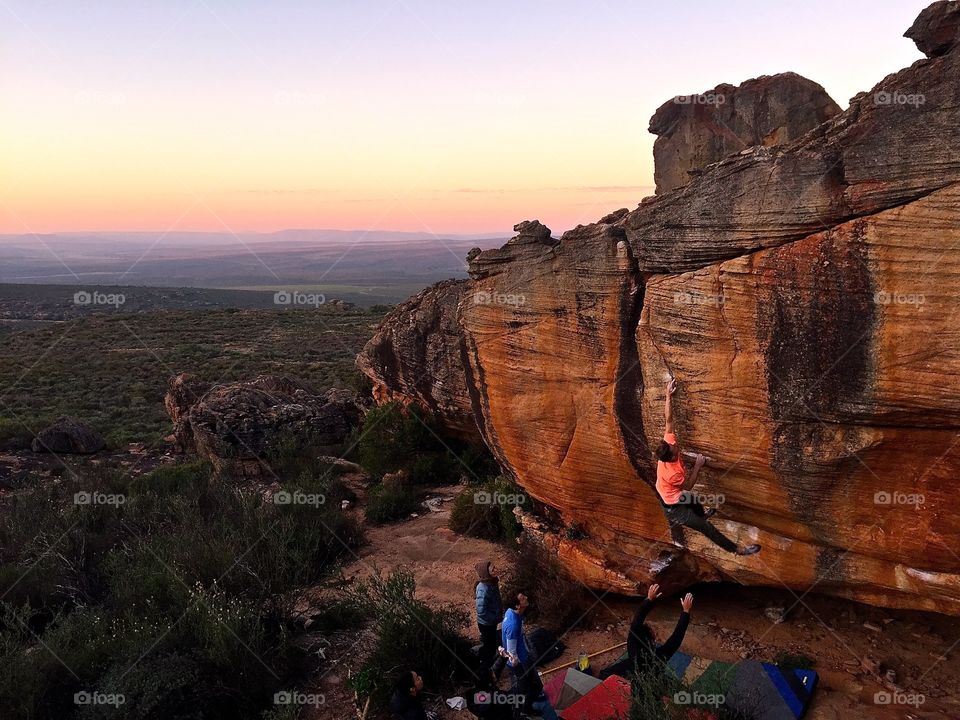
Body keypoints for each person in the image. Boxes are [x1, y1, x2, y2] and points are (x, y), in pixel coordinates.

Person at [656, 378, 760, 556]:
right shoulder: (674, 473)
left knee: (694, 499)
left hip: (671, 494)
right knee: (705, 527)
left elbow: (668, 420)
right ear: (672, 455)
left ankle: (702, 514)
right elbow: (687, 486)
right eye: (674, 448)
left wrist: (668, 395)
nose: (675, 444)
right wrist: (698, 465)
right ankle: (736, 550)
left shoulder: (668, 445)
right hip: (674, 509)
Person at [599, 583, 692, 680]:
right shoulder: (658, 657)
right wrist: (686, 611)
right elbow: (676, 639)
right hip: (645, 683)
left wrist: (649, 599)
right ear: (651, 640)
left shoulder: (633, 650)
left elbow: (636, 623)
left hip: (628, 676)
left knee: (607, 674)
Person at [495, 649, 559, 720]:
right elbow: (521, 690)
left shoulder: (483, 695)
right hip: (517, 713)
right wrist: (517, 668)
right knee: (528, 694)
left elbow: (489, 674)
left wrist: (502, 658)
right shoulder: (497, 699)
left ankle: (529, 710)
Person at [475, 560, 503, 676]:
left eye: (494, 567)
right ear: (486, 573)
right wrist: (495, 618)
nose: (495, 570)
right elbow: (481, 611)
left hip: (491, 621)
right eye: (492, 569)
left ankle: (485, 660)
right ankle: (485, 672)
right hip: (486, 623)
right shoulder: (483, 588)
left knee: (490, 643)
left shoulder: (492, 582)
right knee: (490, 647)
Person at [501, 591, 530, 673]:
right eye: (523, 599)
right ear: (517, 606)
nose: (526, 598)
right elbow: (511, 653)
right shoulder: (513, 626)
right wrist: (519, 668)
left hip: (523, 652)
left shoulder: (510, 611)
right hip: (521, 662)